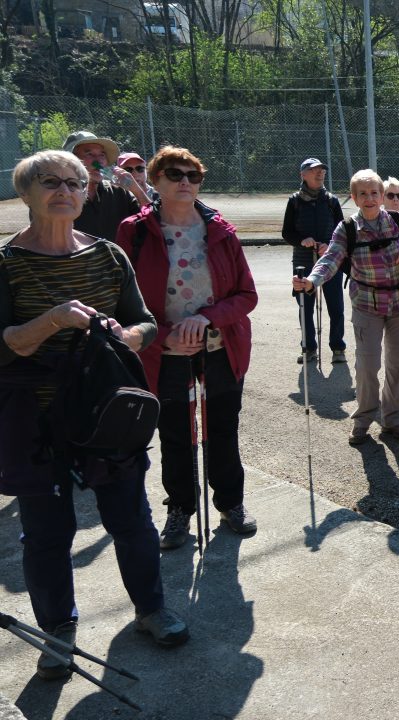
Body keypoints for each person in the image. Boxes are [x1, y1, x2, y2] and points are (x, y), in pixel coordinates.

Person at [0, 150, 188, 679]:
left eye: (75, 182)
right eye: (50, 181)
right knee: (46, 534)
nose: (64, 190)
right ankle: (57, 631)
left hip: (108, 416)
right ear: (25, 193)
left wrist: (128, 336)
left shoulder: (108, 255)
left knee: (132, 521)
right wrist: (52, 321)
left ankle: (151, 609)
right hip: (36, 422)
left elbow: (145, 321)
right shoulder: (7, 264)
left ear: (87, 194)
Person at [115, 145, 260, 549]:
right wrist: (164, 335)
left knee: (223, 430)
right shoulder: (133, 232)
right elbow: (121, 302)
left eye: (193, 176)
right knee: (175, 434)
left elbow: (247, 295)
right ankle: (180, 508)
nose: (185, 182)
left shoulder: (220, 230)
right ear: (155, 181)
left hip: (220, 349)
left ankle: (230, 502)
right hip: (164, 354)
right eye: (175, 175)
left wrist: (207, 317)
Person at [293, 169, 399, 445]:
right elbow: (331, 258)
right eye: (363, 194)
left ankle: (394, 420)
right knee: (367, 366)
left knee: (398, 364)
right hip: (366, 305)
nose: (369, 198)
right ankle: (363, 420)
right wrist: (311, 281)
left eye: (374, 193)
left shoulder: (397, 221)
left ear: (382, 196)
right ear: (354, 197)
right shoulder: (346, 228)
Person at [282, 158, 347, 364]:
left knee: (336, 307)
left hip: (330, 260)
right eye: (314, 170)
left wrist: (330, 245)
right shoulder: (294, 201)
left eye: (322, 170)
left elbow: (342, 232)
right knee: (305, 307)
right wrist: (302, 240)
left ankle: (338, 348)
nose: (320, 173)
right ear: (303, 175)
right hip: (303, 261)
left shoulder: (332, 201)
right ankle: (309, 348)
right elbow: (287, 233)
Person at [62, 130, 147, 242]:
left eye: (102, 155)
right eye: (89, 154)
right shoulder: (61, 196)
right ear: (71, 161)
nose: (98, 161)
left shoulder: (119, 193)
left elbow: (154, 222)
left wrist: (137, 191)